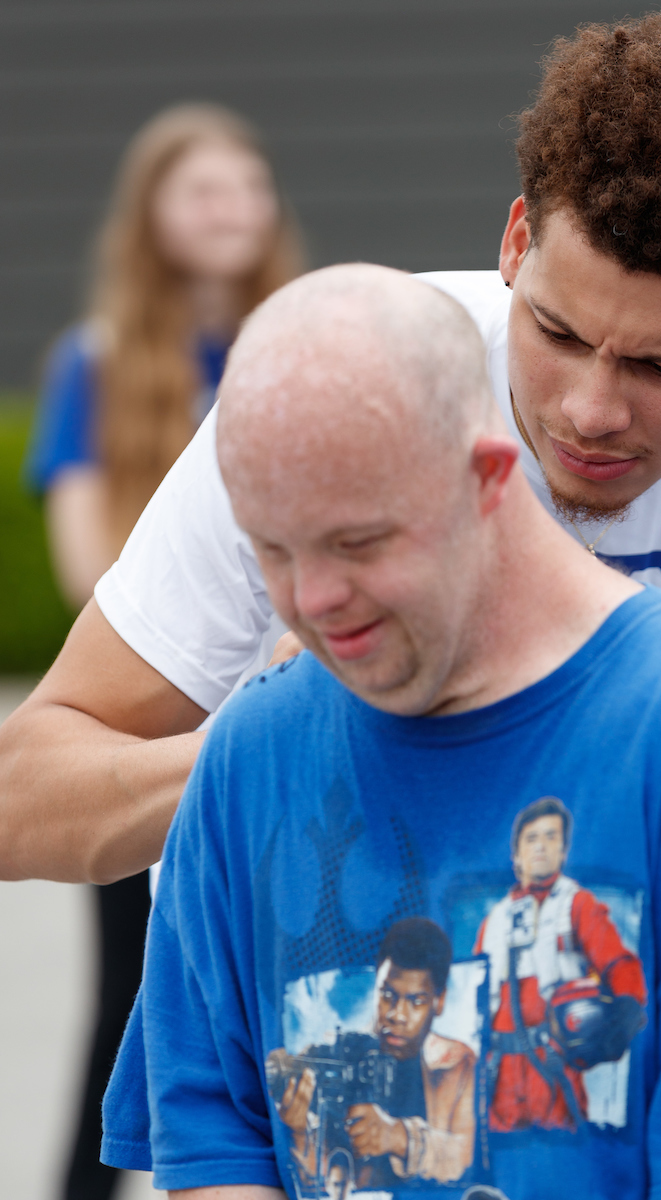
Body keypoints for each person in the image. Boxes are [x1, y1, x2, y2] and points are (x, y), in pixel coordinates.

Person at [0, 16, 661, 899]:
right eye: (558, 332)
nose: (591, 410)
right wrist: (283, 750)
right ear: (517, 243)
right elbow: (25, 794)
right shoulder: (344, 383)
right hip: (308, 992)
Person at [99, 265, 661, 1200]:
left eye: (361, 542)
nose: (314, 600)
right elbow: (216, 1138)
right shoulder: (246, 753)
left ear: (487, 479)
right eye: (273, 548)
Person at [21, 102, 303, 1200]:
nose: (233, 208)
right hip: (155, 727)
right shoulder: (94, 363)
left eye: (249, 185)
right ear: (152, 215)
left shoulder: (309, 341)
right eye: (204, 189)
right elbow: (84, 561)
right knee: (132, 1004)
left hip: (297, 704)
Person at [474, 797, 647, 1131]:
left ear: (564, 851)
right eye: (532, 838)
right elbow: (470, 994)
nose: (541, 846)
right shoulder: (493, 921)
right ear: (516, 857)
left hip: (554, 1068)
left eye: (551, 837)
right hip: (500, 1078)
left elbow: (620, 964)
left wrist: (625, 1013)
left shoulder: (577, 905)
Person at [268, 918, 475, 1189]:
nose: (396, 1014)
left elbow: (465, 1158)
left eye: (416, 1001)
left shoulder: (456, 1063)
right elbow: (315, 1185)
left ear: (440, 1001)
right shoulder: (336, 1056)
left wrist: (396, 1136)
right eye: (387, 994)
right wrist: (298, 1133)